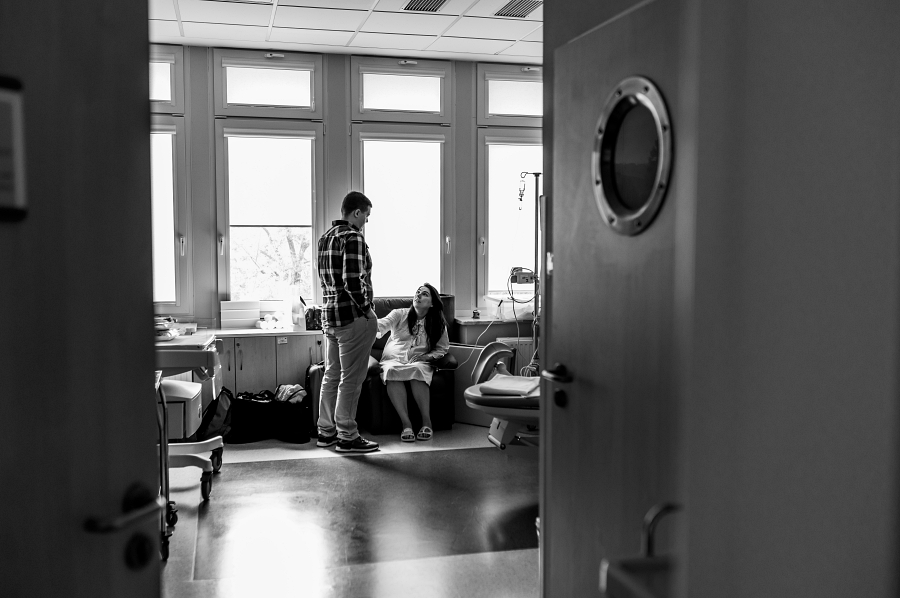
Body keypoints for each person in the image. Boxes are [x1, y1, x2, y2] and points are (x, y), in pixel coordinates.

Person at [316, 191, 380, 453]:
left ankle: (326, 432)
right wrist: (367, 311)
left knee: (331, 375)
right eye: (366, 215)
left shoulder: (325, 238)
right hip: (352, 319)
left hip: (330, 317)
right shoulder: (353, 237)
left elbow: (326, 281)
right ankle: (347, 436)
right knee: (351, 379)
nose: (366, 221)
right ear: (356, 212)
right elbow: (352, 282)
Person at [376, 283, 450, 442]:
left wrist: (427, 358)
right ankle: (406, 424)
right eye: (418, 292)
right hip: (393, 360)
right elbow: (382, 324)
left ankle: (427, 422)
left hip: (419, 360)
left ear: (432, 303)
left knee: (417, 369)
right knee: (391, 371)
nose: (418, 295)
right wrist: (367, 322)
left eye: (424, 294)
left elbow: (442, 348)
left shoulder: (438, 323)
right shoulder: (399, 314)